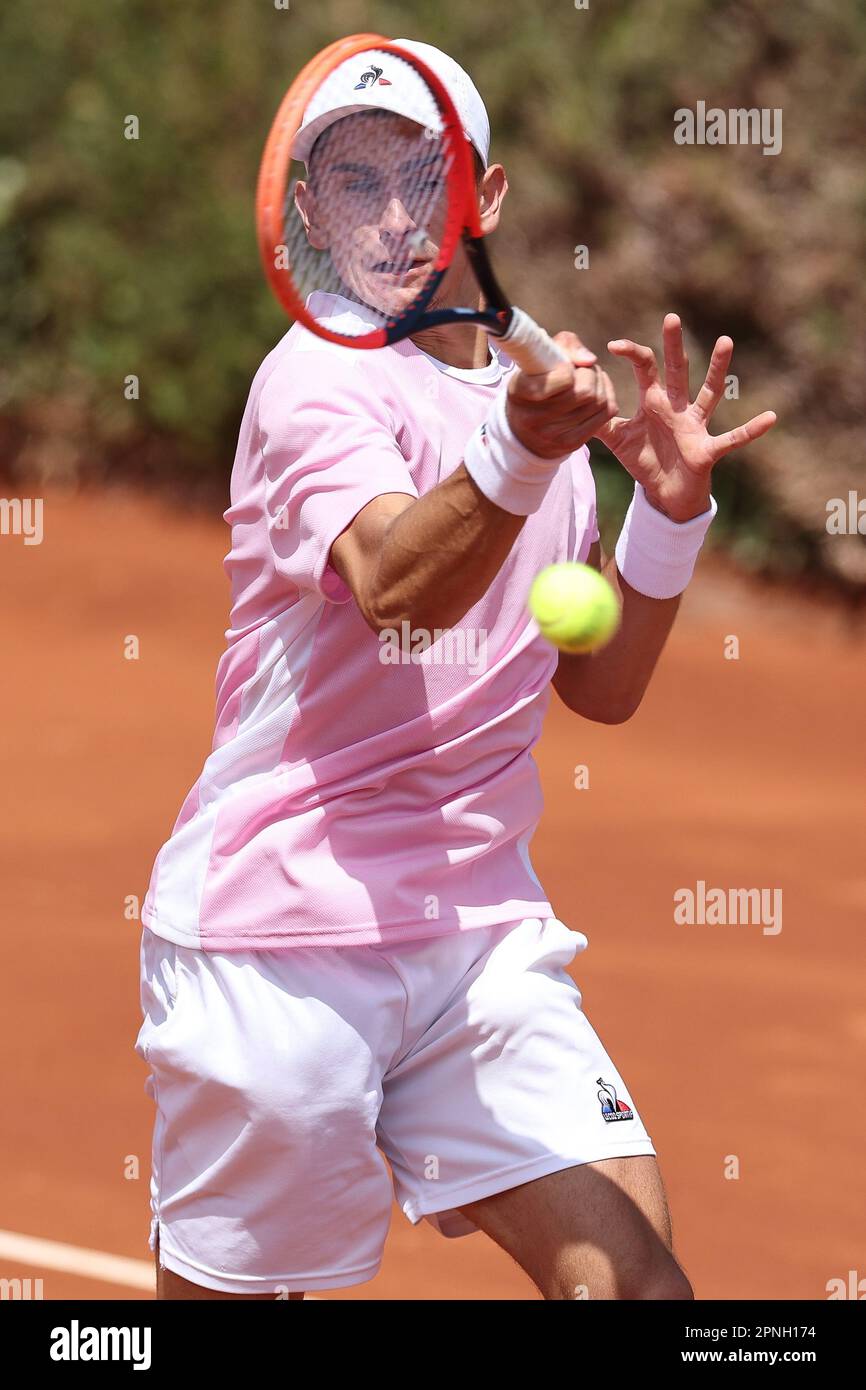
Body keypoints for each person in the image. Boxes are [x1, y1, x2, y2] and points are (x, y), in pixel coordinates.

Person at [135, 38, 775, 1301]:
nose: (384, 213)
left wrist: (667, 520)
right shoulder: (312, 382)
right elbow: (392, 585)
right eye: (349, 179)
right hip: (280, 945)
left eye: (415, 178)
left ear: (480, 197)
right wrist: (521, 456)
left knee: (640, 1289)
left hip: (475, 940)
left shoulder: (533, 417)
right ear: (305, 208)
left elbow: (597, 686)